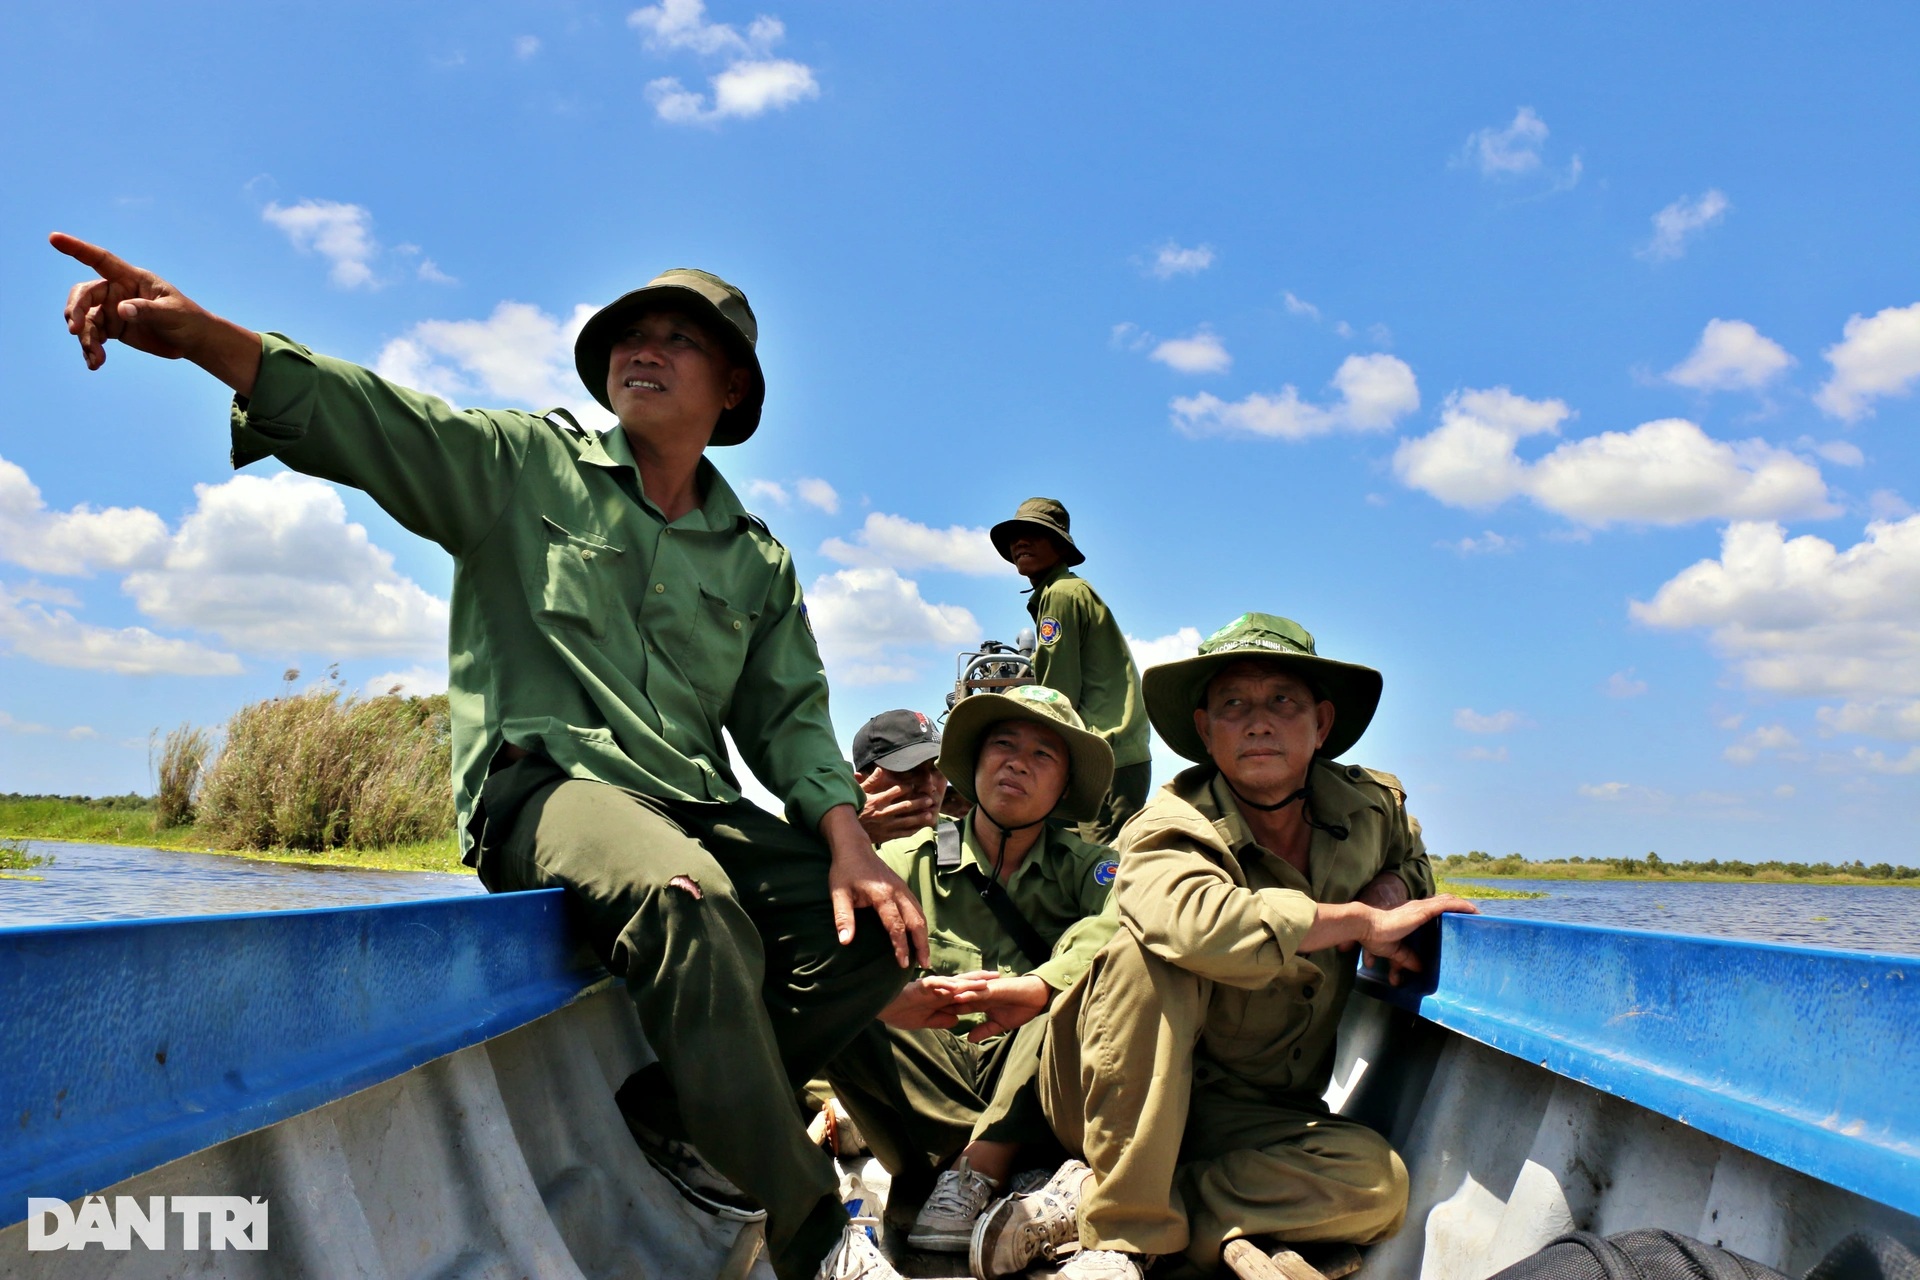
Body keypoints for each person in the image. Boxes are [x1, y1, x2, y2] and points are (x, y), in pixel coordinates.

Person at [52, 235, 928, 1280]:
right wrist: (210, 342)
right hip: (550, 787)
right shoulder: (523, 464)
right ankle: (817, 1236)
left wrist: (847, 840)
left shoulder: (754, 555)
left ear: (731, 385)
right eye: (629, 336)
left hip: (692, 799)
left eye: (677, 339)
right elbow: (378, 418)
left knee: (885, 933)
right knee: (685, 899)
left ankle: (685, 1110)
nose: (642, 352)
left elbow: (788, 717)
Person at [971, 613, 1480, 1280]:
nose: (1258, 721)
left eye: (1282, 702)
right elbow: (1193, 922)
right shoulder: (1170, 821)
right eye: (1234, 705)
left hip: (1250, 1110)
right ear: (1207, 731)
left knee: (1376, 1184)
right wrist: (1357, 923)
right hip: (1112, 1092)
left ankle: (1100, 1202)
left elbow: (1411, 859)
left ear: (1321, 725)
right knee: (1152, 953)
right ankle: (1123, 1235)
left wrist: (1389, 888)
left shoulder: (1367, 809)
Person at [824, 685, 1121, 1254]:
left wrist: (1040, 985)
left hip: (1033, 1069)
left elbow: (1128, 923)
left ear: (1063, 788)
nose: (1016, 762)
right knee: (845, 1000)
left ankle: (976, 1167)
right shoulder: (903, 859)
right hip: (933, 1068)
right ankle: (1006, 1162)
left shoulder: (1092, 868)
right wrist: (893, 1000)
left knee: (1076, 991)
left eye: (1043, 755)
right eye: (1002, 745)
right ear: (976, 764)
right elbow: (830, 951)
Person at [990, 497, 1151, 844]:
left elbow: (1054, 699)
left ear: (1060, 545)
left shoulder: (1062, 594)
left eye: (1034, 533)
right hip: (1117, 756)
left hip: (1104, 758)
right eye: (1015, 537)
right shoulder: (1065, 590)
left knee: (1097, 869)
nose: (1020, 543)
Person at [853, 708, 947, 845]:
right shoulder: (828, 846)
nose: (929, 786)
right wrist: (851, 832)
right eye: (909, 771)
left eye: (937, 768)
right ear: (860, 785)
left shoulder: (971, 840)